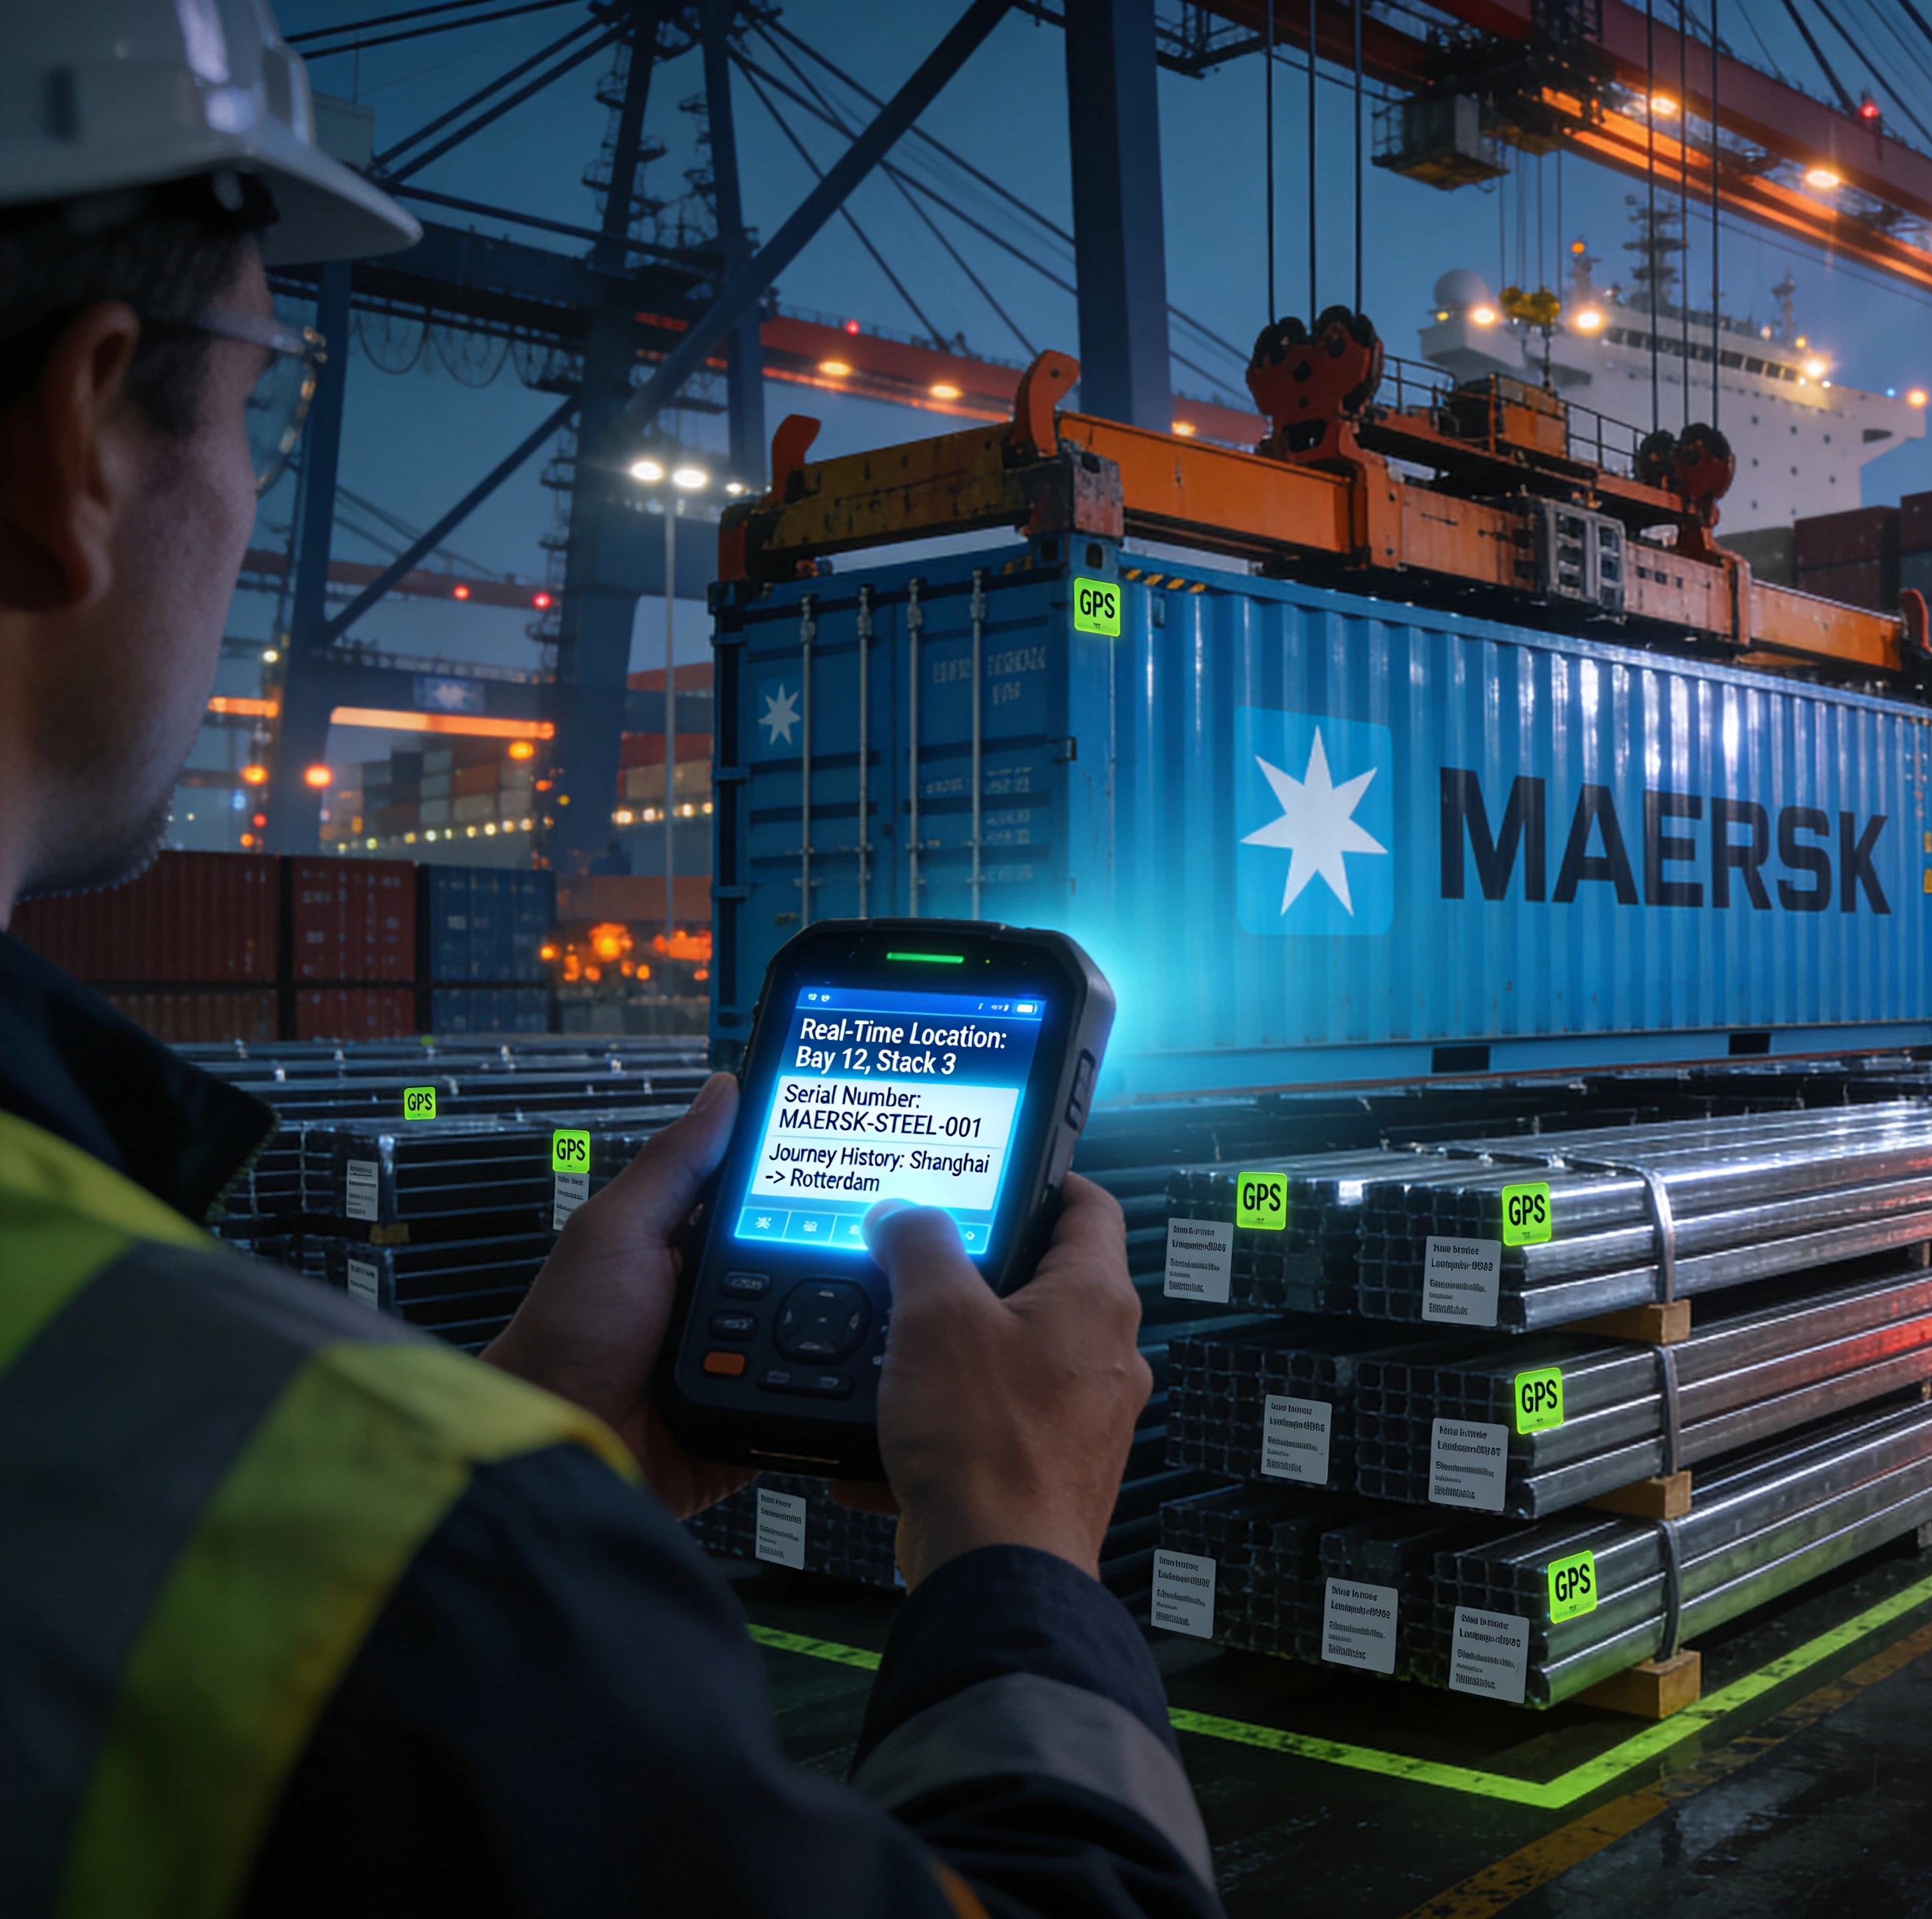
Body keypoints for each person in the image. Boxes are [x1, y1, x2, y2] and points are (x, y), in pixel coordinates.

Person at [0, 7, 1220, 1914]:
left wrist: (545, 1448)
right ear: (81, 434)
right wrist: (1011, 1554)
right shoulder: (408, 1586)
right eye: (260, 403)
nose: (248, 496)